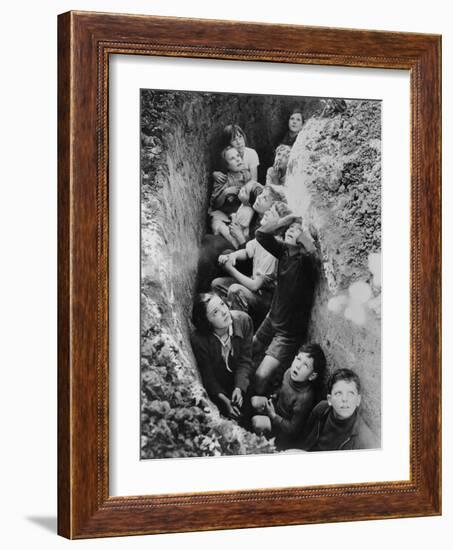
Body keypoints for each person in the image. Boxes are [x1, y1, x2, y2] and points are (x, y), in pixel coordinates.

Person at [253, 215, 317, 395]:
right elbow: (261, 234)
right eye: (290, 229)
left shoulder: (304, 262)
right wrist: (287, 220)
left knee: (261, 375)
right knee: (250, 349)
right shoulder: (284, 251)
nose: (291, 230)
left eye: (296, 229)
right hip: (272, 318)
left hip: (287, 333)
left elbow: (313, 255)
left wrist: (302, 235)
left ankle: (255, 405)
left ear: (303, 238)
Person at [211, 201, 291, 327]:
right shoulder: (263, 237)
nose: (267, 212)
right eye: (269, 209)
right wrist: (232, 256)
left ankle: (240, 328)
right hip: (253, 285)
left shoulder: (273, 250)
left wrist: (231, 269)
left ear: (278, 225)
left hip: (265, 299)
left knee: (235, 290)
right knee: (216, 284)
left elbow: (255, 286)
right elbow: (248, 251)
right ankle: (228, 316)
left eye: (272, 213)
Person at [190, 293, 254, 420]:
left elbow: (245, 361)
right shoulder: (199, 340)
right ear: (206, 321)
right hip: (218, 386)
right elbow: (208, 376)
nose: (224, 312)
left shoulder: (243, 320)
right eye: (215, 312)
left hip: (240, 377)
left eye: (222, 304)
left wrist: (239, 387)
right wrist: (225, 401)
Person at [250, 344, 326, 450]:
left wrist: (272, 415)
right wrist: (275, 396)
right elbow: (282, 388)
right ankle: (255, 428)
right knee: (254, 401)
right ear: (294, 358)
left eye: (305, 365)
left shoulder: (304, 398)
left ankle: (265, 444)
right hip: (276, 411)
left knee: (256, 422)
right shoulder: (289, 372)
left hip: (283, 431)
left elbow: (292, 429)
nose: (298, 366)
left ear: (312, 376)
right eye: (299, 359)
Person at [301, 368, 378, 451]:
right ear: (330, 400)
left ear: (358, 400)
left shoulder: (364, 440)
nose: (344, 399)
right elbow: (304, 438)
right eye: (338, 393)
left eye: (351, 393)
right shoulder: (321, 409)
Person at [209, 145, 252, 245]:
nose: (237, 160)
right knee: (217, 224)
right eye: (232, 158)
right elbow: (215, 205)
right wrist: (225, 193)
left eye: (238, 156)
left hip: (239, 213)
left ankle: (243, 240)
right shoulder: (223, 179)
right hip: (223, 214)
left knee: (246, 220)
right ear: (227, 165)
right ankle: (236, 244)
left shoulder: (246, 175)